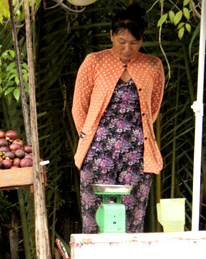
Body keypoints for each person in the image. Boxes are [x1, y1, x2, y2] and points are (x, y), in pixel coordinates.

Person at [71, 4, 165, 234]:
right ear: (111, 36)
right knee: (96, 213)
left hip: (136, 151)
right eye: (121, 41)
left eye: (134, 42)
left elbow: (153, 108)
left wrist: (133, 135)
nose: (127, 48)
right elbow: (79, 107)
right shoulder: (94, 61)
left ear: (142, 40)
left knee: (131, 214)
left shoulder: (153, 65)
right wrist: (87, 138)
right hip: (98, 149)